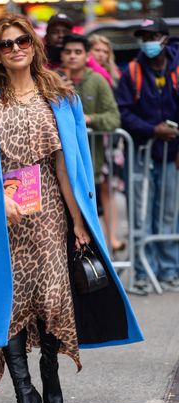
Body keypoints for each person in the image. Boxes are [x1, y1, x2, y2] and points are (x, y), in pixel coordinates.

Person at [0, 13, 143, 403]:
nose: (15, 49)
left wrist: (79, 222)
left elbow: (66, 166)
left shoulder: (61, 95)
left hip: (49, 213)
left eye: (21, 42)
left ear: (34, 45)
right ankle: (25, 396)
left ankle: (49, 366)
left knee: (53, 299)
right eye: (5, 44)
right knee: (9, 307)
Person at [115, 18, 179, 293]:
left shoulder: (177, 69)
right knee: (140, 213)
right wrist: (153, 129)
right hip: (141, 151)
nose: (148, 42)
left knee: (168, 211)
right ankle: (143, 272)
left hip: (172, 154)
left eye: (153, 36)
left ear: (164, 39)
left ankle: (169, 269)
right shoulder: (132, 71)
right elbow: (124, 111)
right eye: (144, 37)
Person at [57, 34, 123, 252]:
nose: (73, 56)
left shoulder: (97, 80)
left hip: (89, 166)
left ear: (87, 56)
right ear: (61, 55)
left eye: (78, 52)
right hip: (57, 167)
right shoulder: (51, 79)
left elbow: (114, 118)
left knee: (88, 225)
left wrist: (89, 120)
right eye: (68, 52)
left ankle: (94, 274)